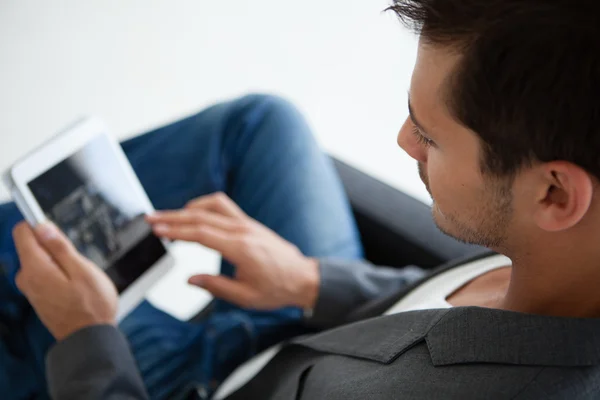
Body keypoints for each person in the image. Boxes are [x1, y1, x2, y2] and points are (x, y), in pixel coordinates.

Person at [6, 0, 600, 398]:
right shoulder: (568, 257)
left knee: (34, 284)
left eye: (430, 136)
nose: (402, 140)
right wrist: (308, 281)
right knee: (263, 124)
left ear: (553, 193)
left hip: (218, 387)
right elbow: (431, 303)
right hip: (318, 333)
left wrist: (88, 339)